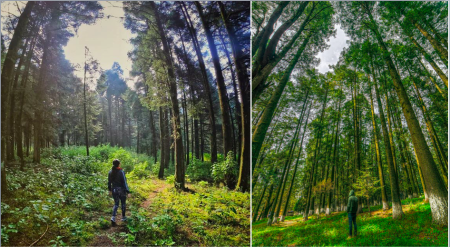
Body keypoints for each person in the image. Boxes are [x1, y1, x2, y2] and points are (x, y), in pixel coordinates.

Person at [108, 159, 130, 226]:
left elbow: (109, 182)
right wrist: (128, 191)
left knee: (116, 204)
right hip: (121, 190)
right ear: (119, 164)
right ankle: (123, 217)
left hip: (114, 190)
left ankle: (113, 217)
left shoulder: (110, 172)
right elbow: (124, 182)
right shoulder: (121, 172)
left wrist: (110, 190)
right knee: (123, 203)